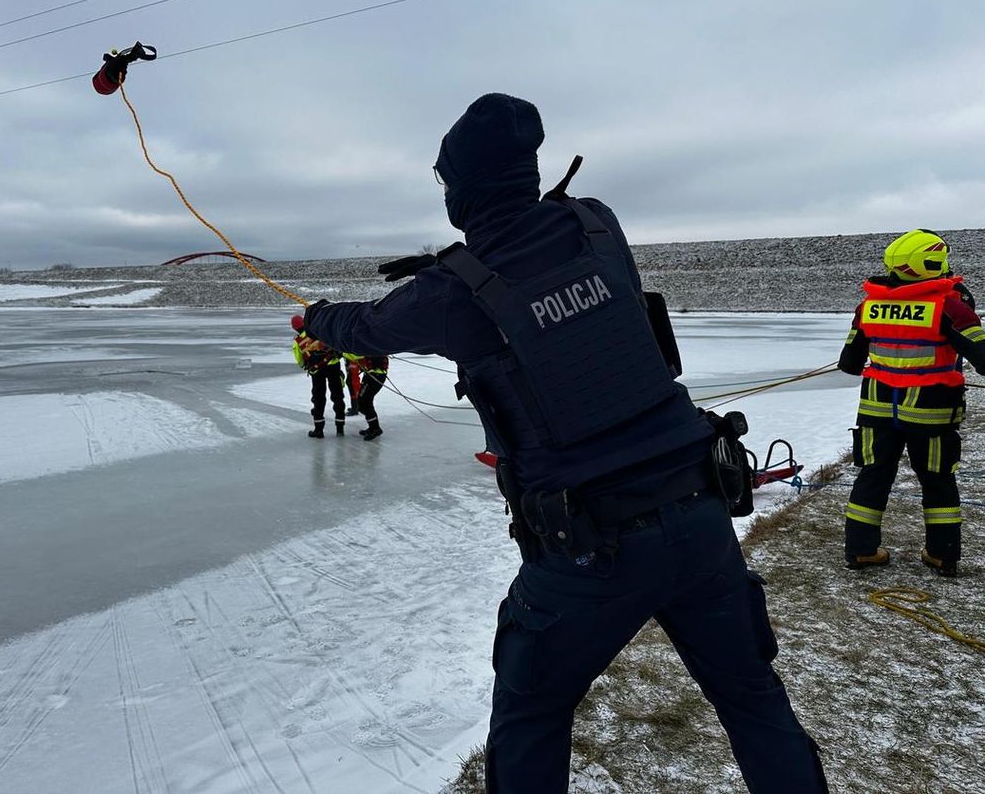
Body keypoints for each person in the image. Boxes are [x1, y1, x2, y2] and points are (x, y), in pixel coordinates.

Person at [304, 93, 827, 793]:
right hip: (700, 513)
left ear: (461, 187)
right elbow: (546, 275)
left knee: (529, 715)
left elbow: (367, 328)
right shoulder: (596, 224)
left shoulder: (451, 294)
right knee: (755, 703)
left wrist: (315, 318)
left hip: (589, 547)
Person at [838, 229, 985, 577]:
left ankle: (861, 551)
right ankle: (941, 555)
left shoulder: (869, 305)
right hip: (930, 412)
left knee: (872, 477)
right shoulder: (949, 304)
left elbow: (848, 363)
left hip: (876, 409)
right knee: (937, 481)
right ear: (932, 263)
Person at [290, 314, 346, 438]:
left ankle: (318, 430)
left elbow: (300, 361)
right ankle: (340, 428)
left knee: (319, 399)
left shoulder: (297, 342)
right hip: (333, 366)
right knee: (337, 397)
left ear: (295, 328)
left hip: (317, 371)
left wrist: (310, 364)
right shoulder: (320, 331)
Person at [344, 352, 388, 440]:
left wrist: (342, 350)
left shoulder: (368, 345)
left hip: (375, 376)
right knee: (366, 401)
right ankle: (374, 427)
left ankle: (375, 428)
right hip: (372, 374)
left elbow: (355, 355)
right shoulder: (370, 344)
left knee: (363, 402)